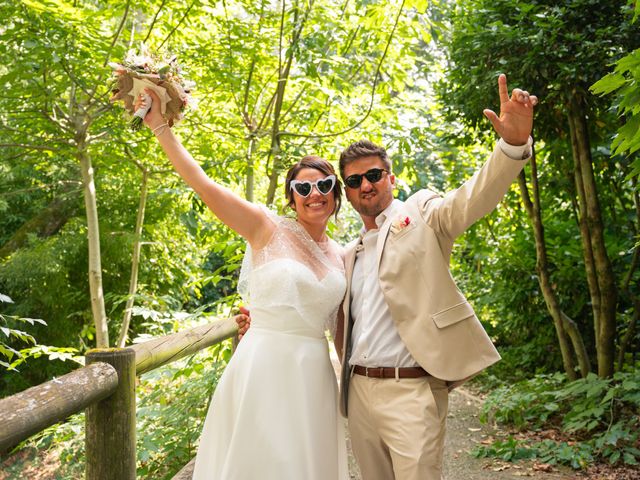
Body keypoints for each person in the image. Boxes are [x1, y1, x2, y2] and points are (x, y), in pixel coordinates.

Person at [333, 73, 538, 480]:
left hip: (411, 390)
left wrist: (512, 146)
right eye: (355, 181)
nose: (366, 185)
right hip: (357, 393)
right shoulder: (347, 255)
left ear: (390, 177)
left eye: (373, 175)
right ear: (348, 191)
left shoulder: (422, 212)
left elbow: (468, 201)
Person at [136, 91, 349, 479]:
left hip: (314, 374)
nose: (313, 194)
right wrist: (160, 127)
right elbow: (203, 185)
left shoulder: (343, 255)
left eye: (323, 185)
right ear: (291, 198)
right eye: (302, 189)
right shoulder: (265, 228)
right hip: (264, 363)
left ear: (336, 192)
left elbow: (346, 325)